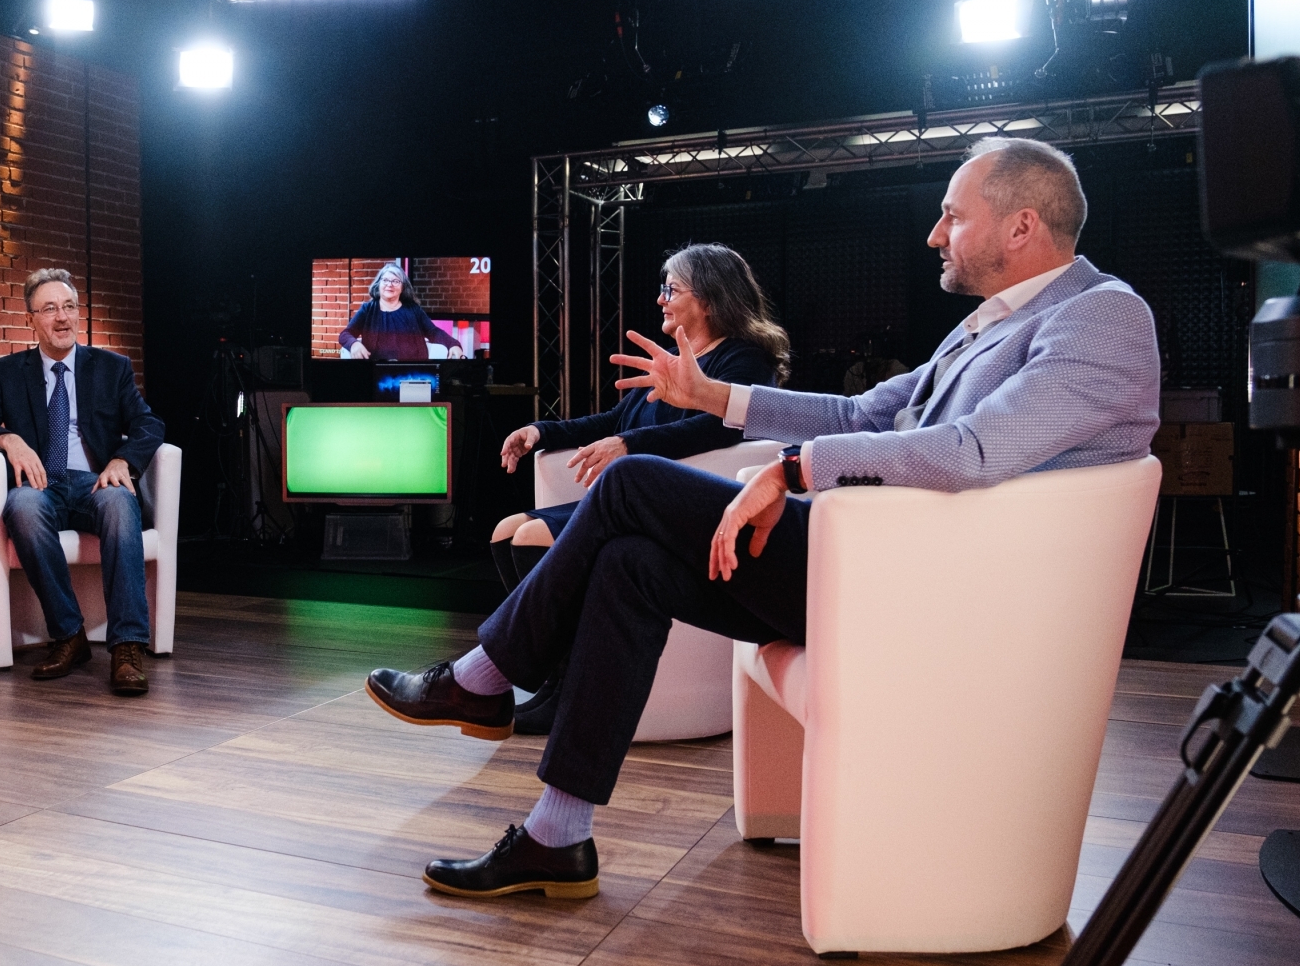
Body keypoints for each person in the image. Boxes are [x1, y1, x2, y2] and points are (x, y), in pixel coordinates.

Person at [362, 137, 1160, 900]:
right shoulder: (990, 320)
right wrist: (715, 397)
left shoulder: (1099, 315)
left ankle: (483, 677)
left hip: (923, 585)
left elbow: (974, 449)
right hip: (880, 558)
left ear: (1022, 225)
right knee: (628, 564)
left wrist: (793, 466)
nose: (933, 234)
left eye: (952, 215)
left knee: (632, 482)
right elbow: (859, 410)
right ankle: (556, 834)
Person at [492, 243, 786, 734]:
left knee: (529, 538)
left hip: (676, 503)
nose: (660, 299)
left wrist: (629, 445)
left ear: (709, 299)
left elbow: (720, 430)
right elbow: (617, 419)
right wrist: (542, 432)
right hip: (629, 497)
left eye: (671, 289)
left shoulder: (744, 360)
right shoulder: (670, 360)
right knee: (506, 530)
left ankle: (563, 688)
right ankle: (552, 676)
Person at [0, 268, 166, 694]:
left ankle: (127, 646)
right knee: (22, 507)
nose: (62, 317)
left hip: (95, 483)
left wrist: (124, 461)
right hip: (42, 483)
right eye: (49, 309)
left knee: (122, 503)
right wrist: (7, 438)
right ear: (31, 319)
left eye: (69, 307)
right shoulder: (10, 372)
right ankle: (68, 635)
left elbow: (148, 423)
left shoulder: (111, 367)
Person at [338, 263, 461, 361]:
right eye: (385, 280)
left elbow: (433, 332)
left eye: (395, 281)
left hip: (411, 372)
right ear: (378, 284)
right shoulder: (367, 309)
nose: (389, 285)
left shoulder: (413, 309)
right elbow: (345, 334)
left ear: (402, 287)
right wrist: (353, 344)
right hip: (376, 371)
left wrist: (453, 344)